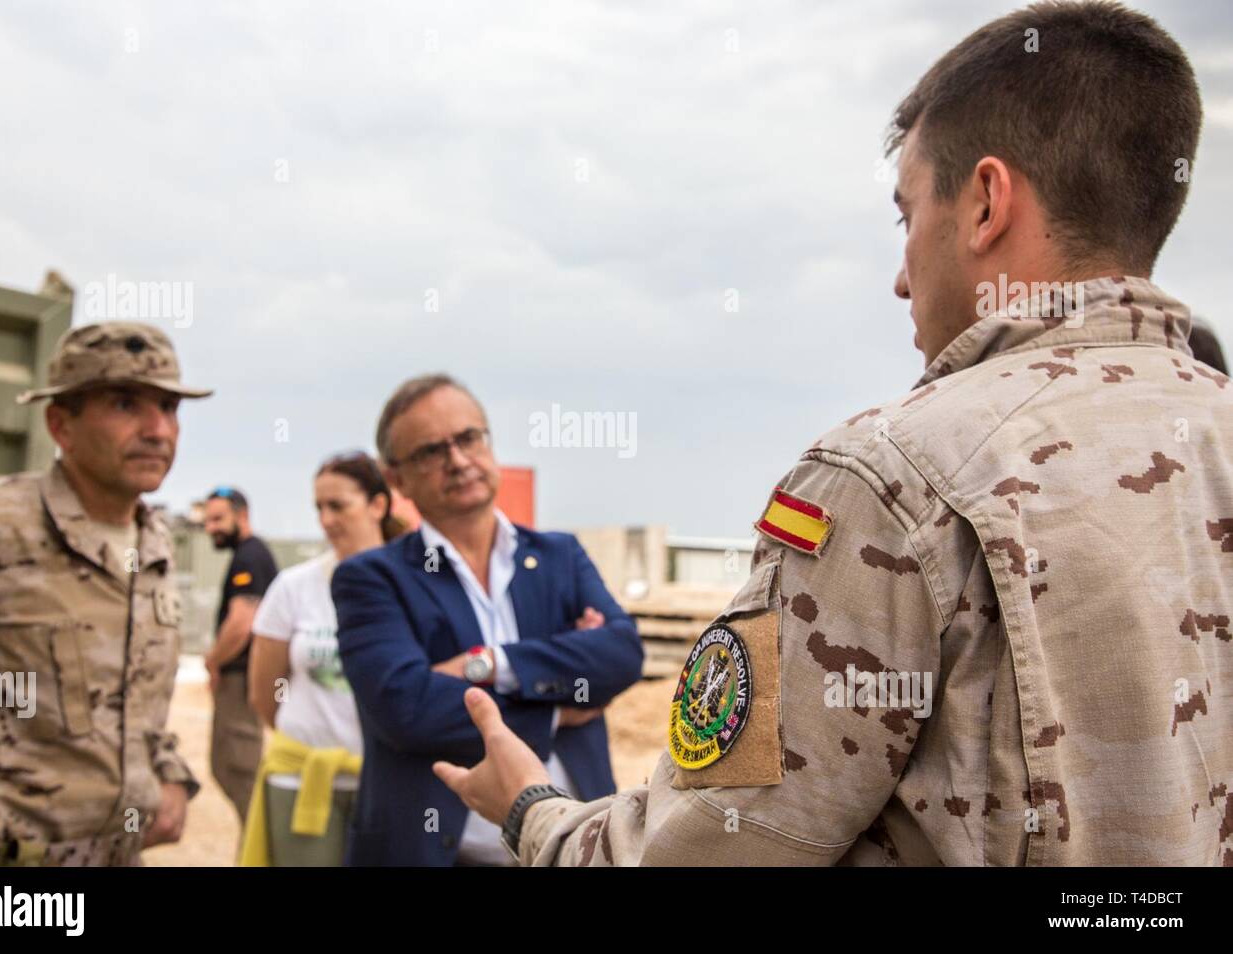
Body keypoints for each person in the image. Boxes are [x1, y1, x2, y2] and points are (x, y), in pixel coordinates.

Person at [434, 1, 1233, 867]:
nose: (900, 277)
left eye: (907, 215)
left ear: (986, 203)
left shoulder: (892, 479)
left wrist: (532, 810)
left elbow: (705, 854)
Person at [330, 374, 645, 865]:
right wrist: (557, 704)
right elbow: (406, 707)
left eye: (468, 438)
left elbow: (622, 655)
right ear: (395, 479)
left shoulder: (559, 556)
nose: (458, 461)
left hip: (569, 846)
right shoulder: (371, 578)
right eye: (431, 452)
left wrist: (488, 663)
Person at [0, 321, 211, 866]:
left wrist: (170, 775)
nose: (159, 429)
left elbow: (135, 701)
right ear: (61, 424)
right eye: (126, 404)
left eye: (170, 408)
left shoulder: (154, 543)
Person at [240, 451, 407, 866]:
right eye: (319, 507)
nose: (326, 519)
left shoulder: (414, 588)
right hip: (301, 779)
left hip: (388, 783)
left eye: (338, 505)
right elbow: (264, 694)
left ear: (378, 505)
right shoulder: (293, 588)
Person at [203, 486, 278, 825]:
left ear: (242, 516)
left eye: (218, 519)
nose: (211, 528)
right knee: (228, 765)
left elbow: (242, 622)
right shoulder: (248, 555)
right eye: (207, 521)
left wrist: (214, 660)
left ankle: (260, 849)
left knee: (238, 766)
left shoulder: (250, 556)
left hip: (240, 677)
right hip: (239, 677)